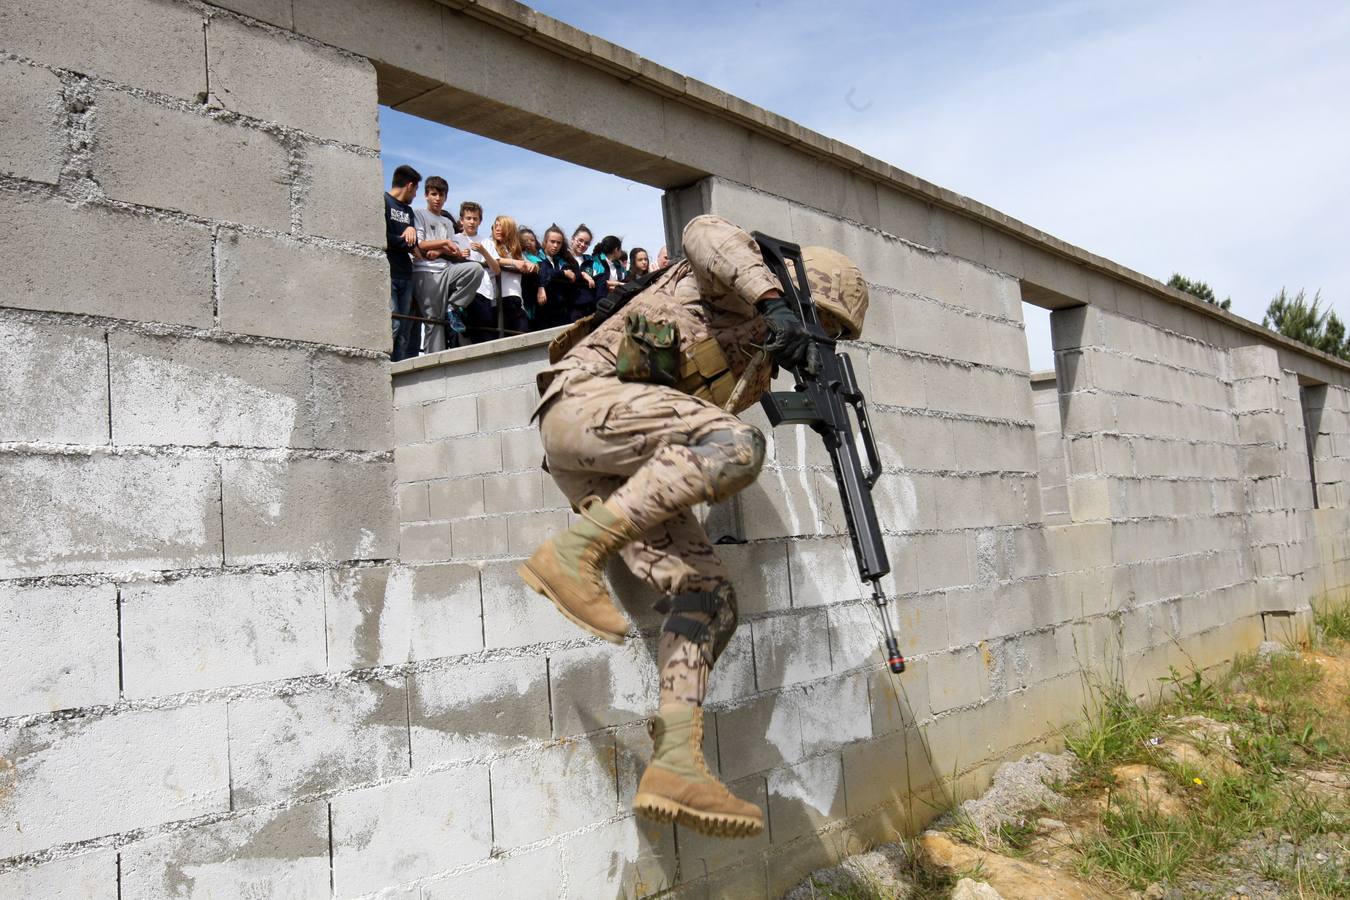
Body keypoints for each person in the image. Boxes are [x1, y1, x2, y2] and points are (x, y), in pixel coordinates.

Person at [518, 215, 869, 839]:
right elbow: (704, 229)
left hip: (616, 471)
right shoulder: (732, 275)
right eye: (825, 323)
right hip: (582, 405)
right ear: (800, 293)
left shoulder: (759, 364)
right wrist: (772, 304)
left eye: (834, 336)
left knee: (711, 600)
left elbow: (683, 443)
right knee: (739, 445)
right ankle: (573, 554)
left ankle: (676, 760)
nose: (825, 339)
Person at [412, 177, 480, 353]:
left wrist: (441, 250)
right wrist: (443, 244)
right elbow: (420, 244)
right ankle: (433, 363)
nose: (437, 198)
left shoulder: (448, 222)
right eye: (433, 194)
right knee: (433, 321)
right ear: (426, 195)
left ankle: (454, 306)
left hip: (446, 269)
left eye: (441, 195)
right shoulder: (419, 214)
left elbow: (454, 251)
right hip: (426, 271)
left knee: (475, 270)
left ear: (446, 197)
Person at [384, 165, 421, 361]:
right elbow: (382, 237)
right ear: (409, 185)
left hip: (406, 274)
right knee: (394, 325)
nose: (415, 195)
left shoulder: (408, 211)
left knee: (404, 329)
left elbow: (414, 243)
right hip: (388, 272)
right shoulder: (383, 202)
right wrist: (403, 238)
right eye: (415, 190)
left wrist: (410, 238)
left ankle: (398, 367)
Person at [452, 201, 501, 342]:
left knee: (484, 334)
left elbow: (497, 270)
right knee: (461, 334)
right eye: (468, 218)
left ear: (480, 221)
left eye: (475, 219)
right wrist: (459, 255)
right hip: (462, 292)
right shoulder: (454, 239)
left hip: (483, 292)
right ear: (461, 220)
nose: (472, 222)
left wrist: (483, 251)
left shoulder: (486, 242)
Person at [488, 215, 534, 336]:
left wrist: (531, 265)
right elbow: (493, 260)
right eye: (496, 225)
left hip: (516, 299)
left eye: (501, 226)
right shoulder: (490, 244)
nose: (497, 229)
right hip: (498, 298)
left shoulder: (514, 250)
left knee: (523, 336)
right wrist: (515, 262)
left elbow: (530, 264)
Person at [535, 223, 578, 330]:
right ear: (545, 242)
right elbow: (544, 272)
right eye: (552, 242)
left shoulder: (561, 260)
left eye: (559, 243)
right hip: (543, 309)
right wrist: (563, 273)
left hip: (561, 309)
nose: (555, 245)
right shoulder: (536, 257)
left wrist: (584, 274)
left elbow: (575, 272)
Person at [520, 227, 544, 328]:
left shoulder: (540, 255)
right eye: (525, 240)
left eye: (532, 240)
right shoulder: (521, 255)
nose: (529, 243)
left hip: (538, 295)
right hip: (527, 293)